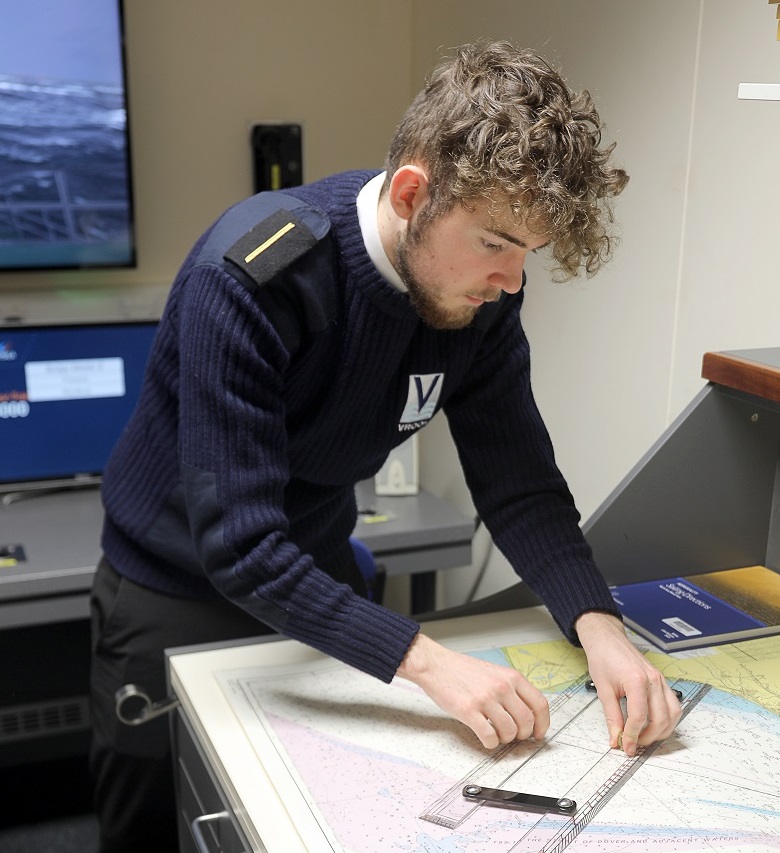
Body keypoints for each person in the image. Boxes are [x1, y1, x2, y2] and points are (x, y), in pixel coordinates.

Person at [89, 39, 682, 852]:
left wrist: (599, 626)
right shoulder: (255, 274)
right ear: (412, 193)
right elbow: (241, 546)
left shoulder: (482, 301)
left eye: (527, 254)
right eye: (495, 243)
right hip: (173, 582)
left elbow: (520, 486)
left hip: (316, 569)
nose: (511, 281)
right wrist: (432, 662)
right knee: (157, 822)